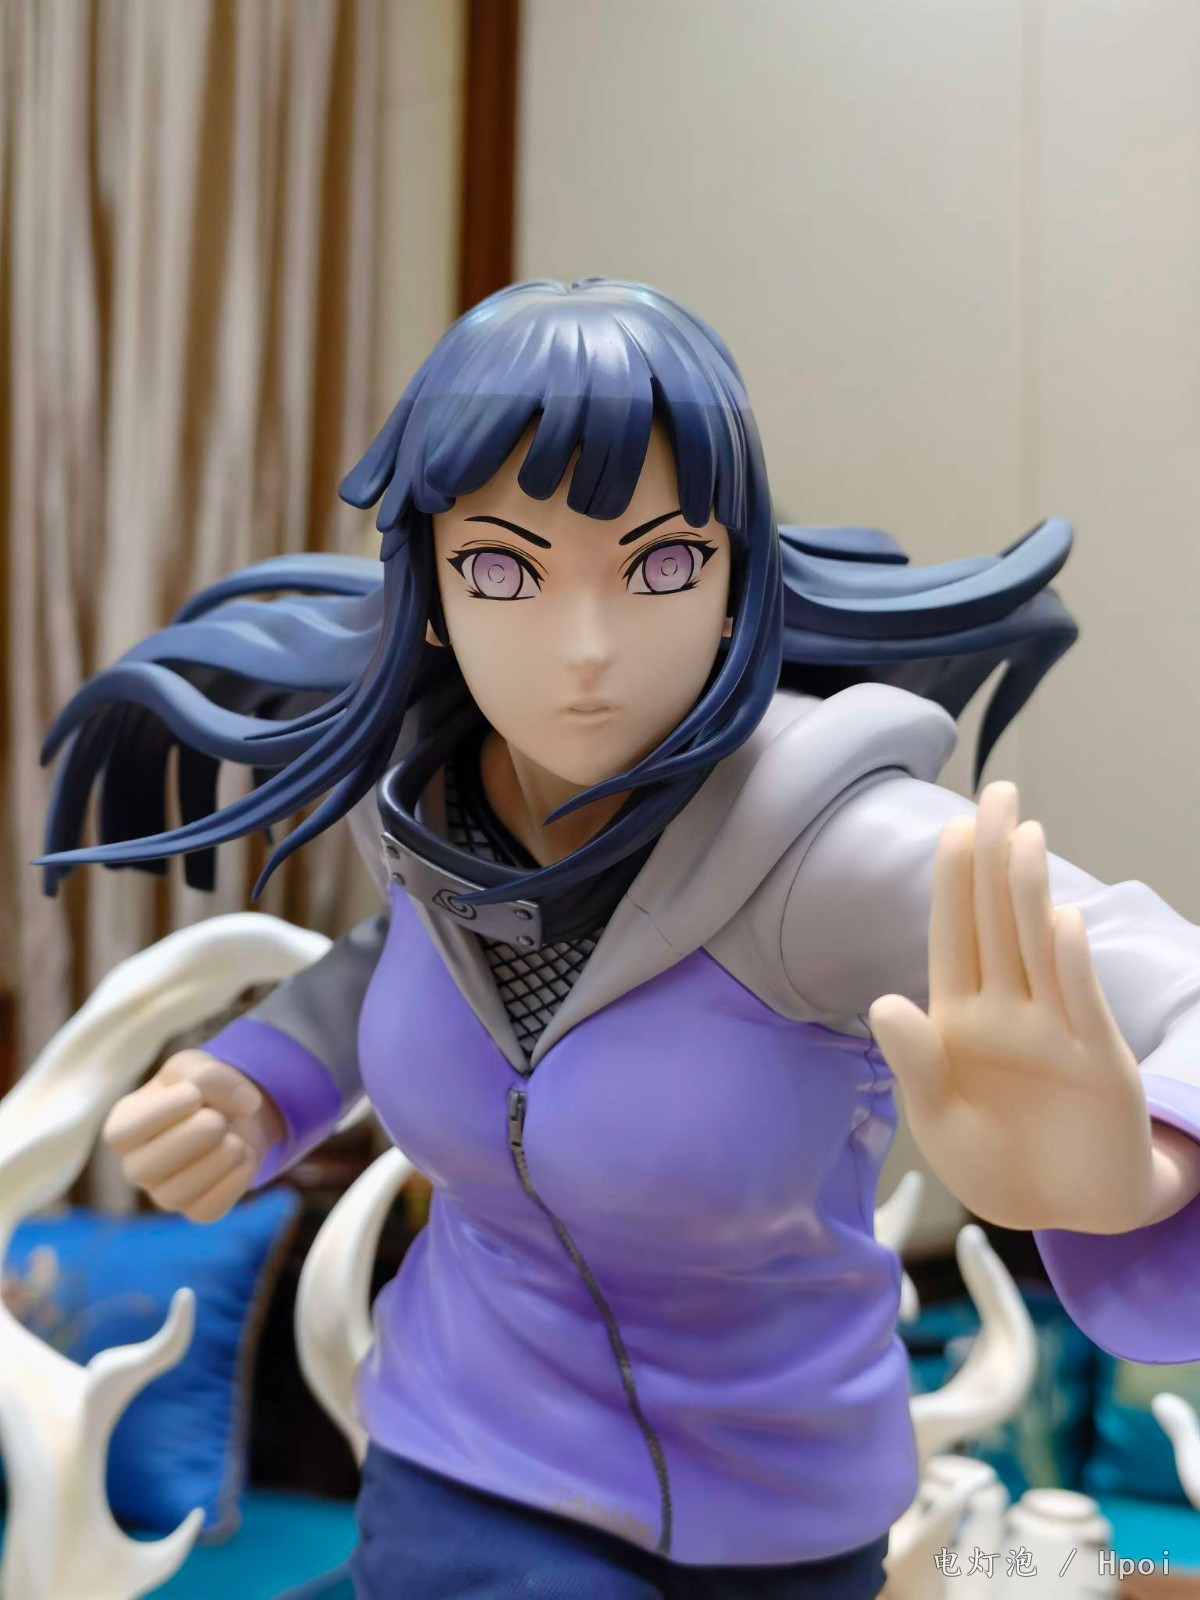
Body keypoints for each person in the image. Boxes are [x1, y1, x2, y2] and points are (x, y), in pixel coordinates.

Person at [37, 281, 1200, 1599]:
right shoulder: (426, 807)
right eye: (503, 570)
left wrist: (1136, 1168)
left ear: (736, 576)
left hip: (778, 1515)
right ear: (430, 589)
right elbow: (415, 954)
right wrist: (259, 1080)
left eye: (659, 565)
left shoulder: (828, 852)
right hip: (458, 1465)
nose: (584, 650)